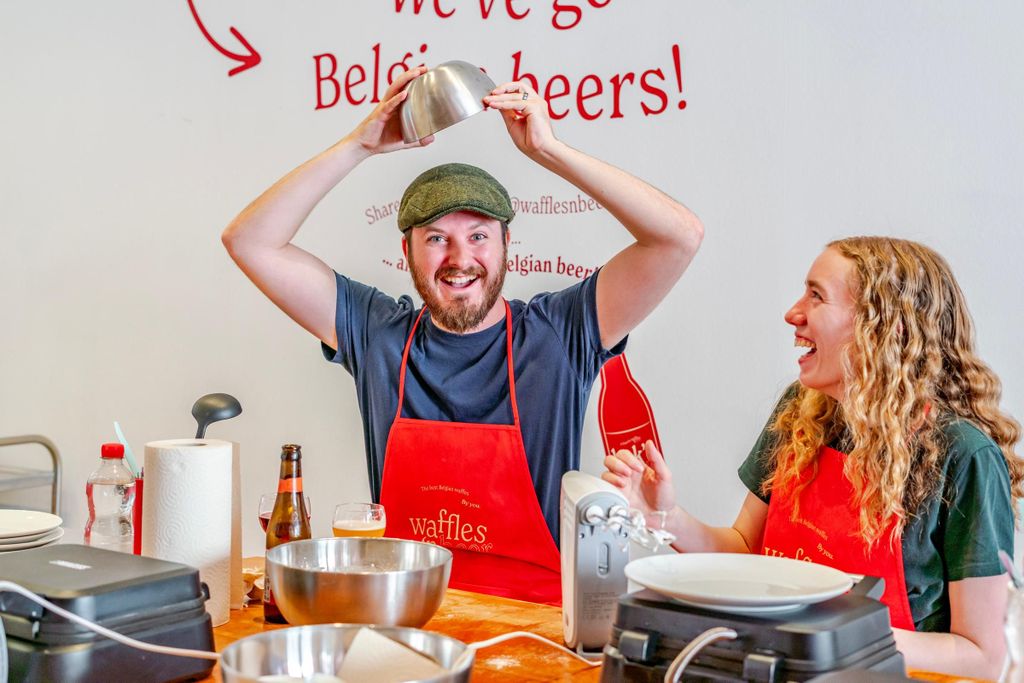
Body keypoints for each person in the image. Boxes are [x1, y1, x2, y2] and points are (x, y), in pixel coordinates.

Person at [222, 65, 703, 604]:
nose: (459, 259)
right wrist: (360, 145)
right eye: (436, 239)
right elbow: (249, 241)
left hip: (535, 626)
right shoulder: (377, 333)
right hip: (407, 615)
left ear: (505, 246)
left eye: (478, 235)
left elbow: (678, 238)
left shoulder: (561, 333)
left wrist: (550, 150)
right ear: (406, 252)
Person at [603, 236, 1020, 678]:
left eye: (817, 296)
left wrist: (822, 636)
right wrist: (666, 517)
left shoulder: (964, 456)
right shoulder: (799, 413)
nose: (793, 313)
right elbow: (747, 549)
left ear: (882, 328)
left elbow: (983, 654)